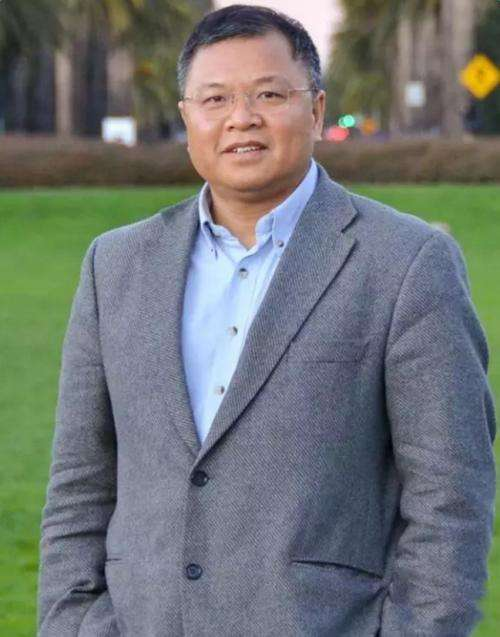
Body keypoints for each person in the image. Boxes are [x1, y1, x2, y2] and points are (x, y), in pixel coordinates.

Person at [37, 5, 496, 636]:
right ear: (188, 117)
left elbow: (451, 496)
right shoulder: (115, 265)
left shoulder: (407, 263)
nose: (241, 117)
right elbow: (79, 485)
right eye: (215, 98)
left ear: (315, 110)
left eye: (269, 94)